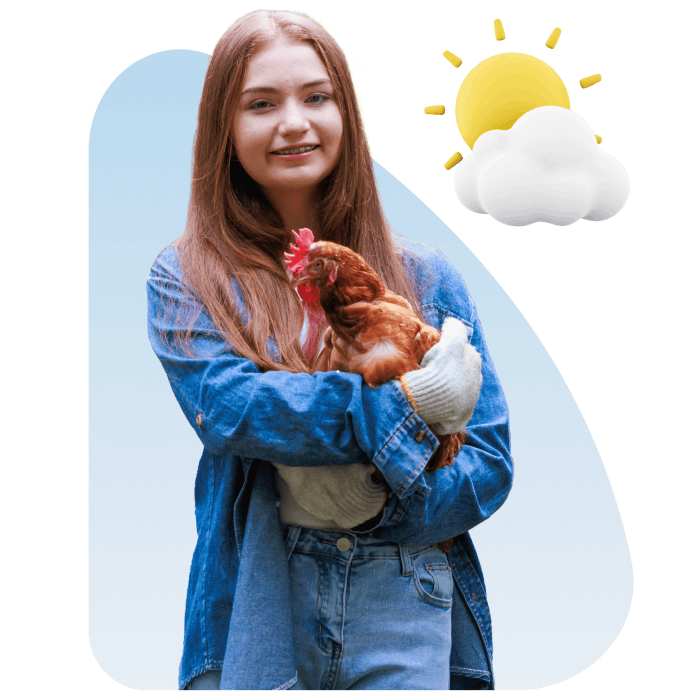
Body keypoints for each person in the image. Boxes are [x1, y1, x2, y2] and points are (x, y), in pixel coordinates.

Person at [146, 8, 513, 692]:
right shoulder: (186, 276)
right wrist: (408, 410)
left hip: (406, 580)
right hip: (263, 582)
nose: (294, 121)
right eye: (261, 103)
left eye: (317, 97)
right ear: (223, 127)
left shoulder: (430, 275)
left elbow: (489, 462)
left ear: (347, 113)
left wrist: (386, 499)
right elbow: (231, 410)